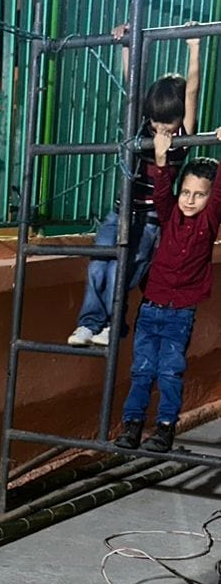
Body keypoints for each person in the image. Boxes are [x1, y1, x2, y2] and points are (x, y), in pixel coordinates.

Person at [67, 26, 201, 347]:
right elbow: (133, 84)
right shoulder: (145, 125)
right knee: (99, 264)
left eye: (166, 122)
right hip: (121, 211)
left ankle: (113, 324)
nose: (159, 127)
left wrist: (194, 47)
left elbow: (192, 91)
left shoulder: (182, 136)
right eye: (155, 120)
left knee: (122, 271)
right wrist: (126, 45)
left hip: (150, 219)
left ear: (179, 119)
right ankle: (88, 324)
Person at [115, 128, 221, 454]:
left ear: (209, 199)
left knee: (170, 372)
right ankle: (132, 425)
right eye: (185, 192)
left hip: (180, 313)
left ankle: (164, 429)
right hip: (150, 308)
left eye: (199, 195)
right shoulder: (170, 215)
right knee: (142, 369)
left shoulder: (208, 222)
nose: (189, 199)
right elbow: (161, 193)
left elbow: (219, 194)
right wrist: (161, 157)